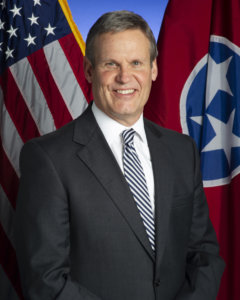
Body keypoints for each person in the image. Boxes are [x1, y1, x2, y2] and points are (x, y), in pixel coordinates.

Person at [15, 10, 225, 300]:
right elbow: (45, 279)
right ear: (89, 70)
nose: (125, 77)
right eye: (111, 64)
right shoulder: (47, 158)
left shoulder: (182, 151)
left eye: (136, 63)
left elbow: (204, 256)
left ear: (153, 69)